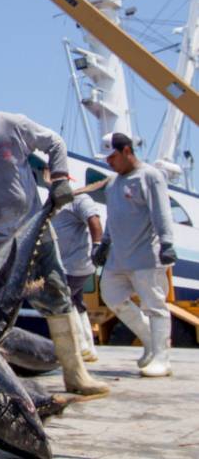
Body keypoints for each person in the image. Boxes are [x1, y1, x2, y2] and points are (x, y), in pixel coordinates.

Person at [0, 85, 108, 396]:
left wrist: (62, 179)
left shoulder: (10, 125)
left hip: (33, 233)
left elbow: (54, 143)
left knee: (58, 297)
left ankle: (75, 374)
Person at [92, 132, 176, 377]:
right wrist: (104, 243)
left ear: (127, 151)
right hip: (118, 256)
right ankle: (151, 341)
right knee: (111, 295)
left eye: (112, 157)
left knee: (155, 305)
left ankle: (162, 357)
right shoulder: (113, 183)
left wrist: (167, 242)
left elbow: (161, 212)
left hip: (145, 255)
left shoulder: (150, 176)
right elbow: (112, 217)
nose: (109, 162)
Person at [49, 172, 103, 362]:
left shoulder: (80, 198)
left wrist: (98, 246)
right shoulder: (54, 203)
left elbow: (94, 220)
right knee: (76, 302)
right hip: (62, 264)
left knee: (63, 299)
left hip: (75, 263)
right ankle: (89, 349)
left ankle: (81, 346)